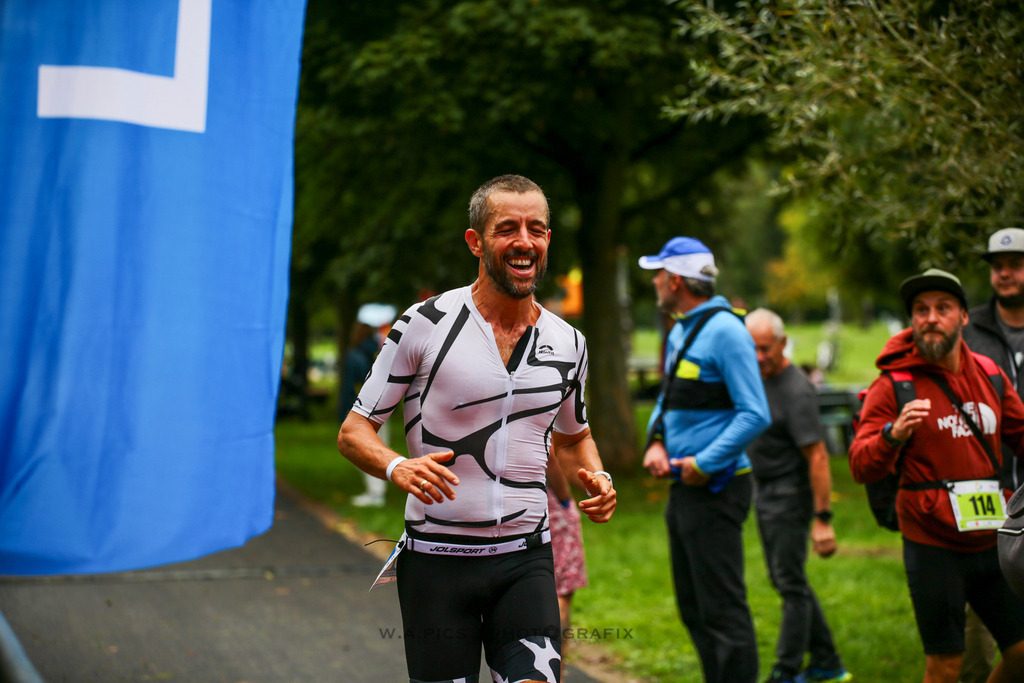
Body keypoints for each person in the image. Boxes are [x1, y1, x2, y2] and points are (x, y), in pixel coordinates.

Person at [337, 174, 616, 683]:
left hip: (525, 559)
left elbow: (576, 438)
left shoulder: (569, 342)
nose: (524, 241)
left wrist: (597, 477)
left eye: (537, 228)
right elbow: (354, 431)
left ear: (549, 240)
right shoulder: (426, 323)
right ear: (476, 242)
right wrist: (398, 466)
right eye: (507, 228)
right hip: (438, 564)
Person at [849, 268, 1024, 683]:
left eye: (943, 308)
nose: (930, 318)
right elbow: (860, 464)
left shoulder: (991, 375)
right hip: (933, 545)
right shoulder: (894, 385)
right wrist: (893, 436)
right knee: (944, 668)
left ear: (964, 317)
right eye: (921, 310)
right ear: (911, 320)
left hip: (991, 538)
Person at [639, 236, 771, 683]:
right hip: (684, 490)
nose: (655, 281)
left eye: (659, 273)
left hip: (717, 489)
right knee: (693, 609)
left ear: (675, 280)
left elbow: (755, 413)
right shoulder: (681, 328)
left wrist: (706, 462)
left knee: (723, 612)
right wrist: (655, 441)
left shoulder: (728, 331)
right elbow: (669, 398)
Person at [745, 308, 851, 683]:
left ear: (783, 343)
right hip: (765, 491)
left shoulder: (796, 389)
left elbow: (819, 456)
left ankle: (785, 671)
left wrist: (823, 519)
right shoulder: (758, 376)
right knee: (787, 579)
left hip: (790, 495)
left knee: (789, 583)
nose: (759, 356)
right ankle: (826, 661)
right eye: (752, 348)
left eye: (766, 348)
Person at [959, 228, 1024, 682]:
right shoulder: (971, 333)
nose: (1004, 272)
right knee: (978, 628)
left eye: (1016, 263)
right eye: (997, 264)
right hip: (984, 490)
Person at [339, 303, 397, 507]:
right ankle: (376, 491)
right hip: (383, 406)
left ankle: (375, 493)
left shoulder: (356, 352)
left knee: (366, 449)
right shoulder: (383, 349)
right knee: (378, 445)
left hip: (363, 408)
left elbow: (350, 386)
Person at [546, 455, 588, 683]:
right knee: (560, 592)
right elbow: (550, 454)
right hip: (545, 499)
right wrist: (565, 500)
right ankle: (555, 673)